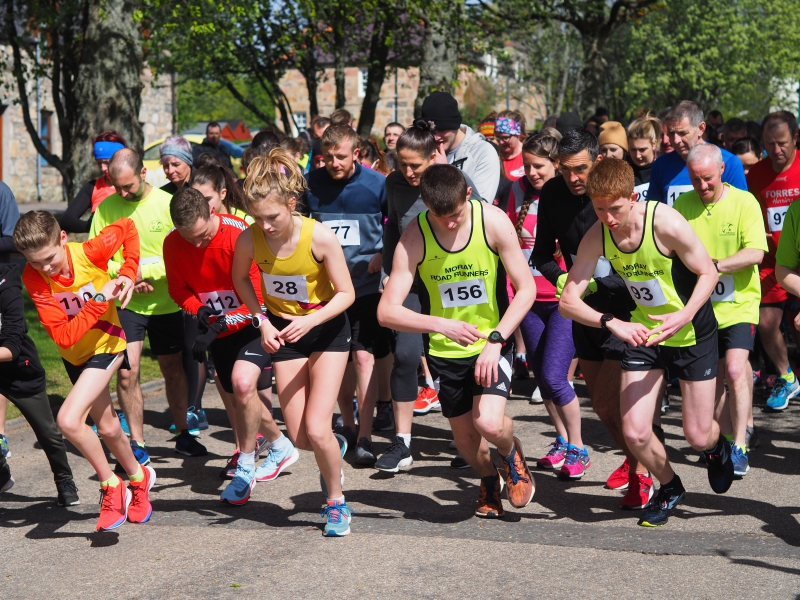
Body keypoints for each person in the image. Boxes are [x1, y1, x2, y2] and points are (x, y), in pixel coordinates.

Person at [560, 157, 734, 527]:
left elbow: (708, 271)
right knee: (635, 431)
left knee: (697, 434)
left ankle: (717, 448)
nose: (607, 217)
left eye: (615, 208)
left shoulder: (665, 222)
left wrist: (683, 314)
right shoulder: (598, 235)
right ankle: (670, 487)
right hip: (644, 334)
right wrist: (611, 323)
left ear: (632, 197)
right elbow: (568, 302)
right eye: (599, 208)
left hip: (690, 331)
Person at [378, 164, 536, 519]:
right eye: (439, 216)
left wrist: (497, 340)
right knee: (466, 442)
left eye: (456, 215)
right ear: (425, 204)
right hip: (445, 351)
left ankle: (512, 455)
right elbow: (386, 311)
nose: (449, 223)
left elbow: (525, 289)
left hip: (491, 341)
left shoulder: (492, 221)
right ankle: (488, 480)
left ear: (468, 195)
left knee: (490, 424)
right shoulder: (415, 237)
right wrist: (441, 325)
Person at [232, 149, 356, 537]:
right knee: (303, 436)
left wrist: (311, 320)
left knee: (316, 429)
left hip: (327, 327)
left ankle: (335, 502)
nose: (265, 226)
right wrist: (262, 321)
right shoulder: (249, 238)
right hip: (284, 332)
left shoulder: (319, 236)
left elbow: (347, 293)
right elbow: (240, 281)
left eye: (273, 217)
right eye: (258, 218)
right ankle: (332, 446)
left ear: (291, 203)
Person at [15, 211, 155, 531]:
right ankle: (138, 478)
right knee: (106, 428)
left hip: (107, 344)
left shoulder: (91, 251)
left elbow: (128, 227)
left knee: (67, 419)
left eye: (49, 258)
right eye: (36, 262)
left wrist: (129, 274)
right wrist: (99, 300)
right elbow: (64, 336)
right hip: (74, 355)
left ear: (63, 238)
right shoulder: (34, 276)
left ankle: (110, 485)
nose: (46, 268)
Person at [533, 129, 646, 510]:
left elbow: (642, 250)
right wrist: (564, 279)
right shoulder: (551, 194)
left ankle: (642, 471)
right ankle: (636, 461)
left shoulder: (616, 190)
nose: (573, 178)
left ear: (597, 161)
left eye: (580, 169)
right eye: (565, 170)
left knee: (611, 402)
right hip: (585, 311)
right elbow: (542, 255)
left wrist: (602, 281)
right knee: (601, 406)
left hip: (627, 310)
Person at [164, 187, 297, 504]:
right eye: (189, 239)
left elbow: (261, 298)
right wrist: (200, 311)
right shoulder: (173, 242)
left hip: (254, 323)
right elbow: (177, 289)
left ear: (212, 212)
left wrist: (223, 321)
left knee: (241, 383)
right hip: (217, 329)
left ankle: (246, 468)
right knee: (241, 397)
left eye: (201, 236)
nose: (196, 244)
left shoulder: (240, 235)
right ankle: (280, 446)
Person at [377, 120, 483, 473]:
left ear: (433, 157)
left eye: (415, 166)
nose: (408, 172)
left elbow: (478, 219)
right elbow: (392, 225)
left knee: (460, 359)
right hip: (410, 281)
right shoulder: (392, 183)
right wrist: (387, 271)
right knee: (406, 356)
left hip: (449, 280)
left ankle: (466, 438)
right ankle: (402, 442)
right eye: (401, 163)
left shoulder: (450, 180)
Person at [91, 149, 207, 463]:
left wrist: (147, 271)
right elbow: (96, 259)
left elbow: (183, 255)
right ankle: (137, 442)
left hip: (167, 303)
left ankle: (184, 433)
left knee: (173, 369)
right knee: (128, 373)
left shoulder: (167, 205)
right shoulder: (106, 209)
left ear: (143, 174)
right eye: (117, 187)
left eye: (128, 186)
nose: (122, 192)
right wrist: (128, 275)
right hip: (127, 303)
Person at [673, 144, 767, 478]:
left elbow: (756, 252)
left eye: (708, 179)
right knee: (710, 380)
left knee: (735, 370)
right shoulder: (682, 205)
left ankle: (740, 444)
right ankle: (724, 439)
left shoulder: (744, 202)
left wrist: (713, 267)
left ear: (722, 171)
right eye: (695, 179)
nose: (702, 186)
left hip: (739, 304)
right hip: (701, 309)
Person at [304, 125, 388, 466]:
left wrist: (384, 254)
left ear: (357, 153)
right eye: (329, 157)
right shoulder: (312, 183)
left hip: (365, 286)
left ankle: (366, 435)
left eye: (342, 156)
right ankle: (349, 424)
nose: (335, 163)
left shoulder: (376, 184)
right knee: (335, 361)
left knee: (365, 358)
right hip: (328, 290)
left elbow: (396, 223)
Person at [507, 133, 587, 478]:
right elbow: (508, 243)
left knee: (555, 377)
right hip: (527, 298)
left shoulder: (568, 195)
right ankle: (561, 438)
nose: (532, 172)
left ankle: (579, 447)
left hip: (561, 300)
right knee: (541, 374)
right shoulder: (515, 191)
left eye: (538, 165)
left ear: (557, 164)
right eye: (526, 165)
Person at [0, 261, 80, 506]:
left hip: (19, 370)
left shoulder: (7, 283)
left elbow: (12, 346)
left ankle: (64, 479)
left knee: (48, 433)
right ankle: (1, 473)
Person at [747, 111, 800, 411]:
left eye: (782, 143)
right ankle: (787, 376)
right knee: (766, 324)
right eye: (769, 144)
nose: (776, 151)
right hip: (774, 260)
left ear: (795, 138)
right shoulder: (756, 173)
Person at [647, 101, 746, 207]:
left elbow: (740, 210)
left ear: (701, 129)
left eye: (682, 133)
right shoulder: (661, 165)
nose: (675, 140)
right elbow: (654, 213)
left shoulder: (729, 163)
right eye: (671, 133)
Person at [419, 91, 500, 201]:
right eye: (431, 131)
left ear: (455, 126)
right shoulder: (423, 148)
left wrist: (445, 172)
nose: (436, 137)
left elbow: (480, 208)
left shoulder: (483, 152)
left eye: (442, 129)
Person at [61, 132, 126, 234]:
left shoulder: (134, 187)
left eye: (107, 162)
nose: (103, 168)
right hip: (100, 248)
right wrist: (92, 226)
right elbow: (67, 220)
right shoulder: (93, 187)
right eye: (99, 163)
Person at [627, 114, 661, 202]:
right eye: (633, 150)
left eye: (642, 150)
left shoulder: (663, 169)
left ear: (654, 144)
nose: (637, 155)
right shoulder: (624, 173)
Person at [495, 110, 526, 180]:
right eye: (498, 137)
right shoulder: (494, 155)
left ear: (517, 134)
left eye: (505, 137)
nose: (501, 142)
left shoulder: (528, 154)